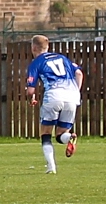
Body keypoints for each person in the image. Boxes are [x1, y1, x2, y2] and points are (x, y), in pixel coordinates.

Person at [26, 35, 83, 175]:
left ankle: (51, 166)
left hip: (53, 96)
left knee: (46, 133)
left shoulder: (36, 63)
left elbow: (30, 90)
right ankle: (69, 138)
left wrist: (31, 98)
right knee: (61, 134)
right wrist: (76, 91)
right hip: (72, 97)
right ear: (48, 46)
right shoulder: (62, 58)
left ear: (33, 48)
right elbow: (79, 73)